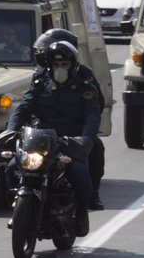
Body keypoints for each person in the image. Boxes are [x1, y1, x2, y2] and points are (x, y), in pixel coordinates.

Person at [6, 40, 101, 235]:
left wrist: (85, 139)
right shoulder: (41, 82)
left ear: (72, 65)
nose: (59, 69)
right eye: (56, 65)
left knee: (79, 173)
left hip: (70, 140)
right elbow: (23, 107)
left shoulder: (84, 84)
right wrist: (11, 130)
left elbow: (93, 115)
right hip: (41, 139)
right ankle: (18, 206)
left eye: (64, 65)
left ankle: (82, 210)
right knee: (11, 168)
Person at [32, 28, 107, 210]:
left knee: (95, 149)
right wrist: (15, 129)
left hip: (74, 133)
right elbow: (27, 105)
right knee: (16, 162)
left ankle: (91, 195)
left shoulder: (84, 76)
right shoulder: (41, 77)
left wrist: (85, 137)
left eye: (63, 63)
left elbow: (96, 107)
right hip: (45, 133)